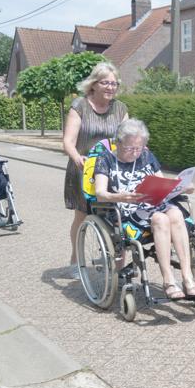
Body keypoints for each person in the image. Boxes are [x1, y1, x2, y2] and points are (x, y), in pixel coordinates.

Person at [90, 119, 195, 300]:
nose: (135, 153)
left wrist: (182, 187)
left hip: (153, 204)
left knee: (175, 213)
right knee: (160, 219)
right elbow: (100, 193)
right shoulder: (105, 159)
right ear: (118, 142)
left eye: (139, 148)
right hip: (126, 211)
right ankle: (168, 281)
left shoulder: (146, 156)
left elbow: (162, 182)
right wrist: (119, 196)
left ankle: (187, 277)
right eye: (129, 148)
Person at [62, 61, 128, 277]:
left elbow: (127, 136)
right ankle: (75, 259)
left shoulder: (120, 108)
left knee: (115, 216)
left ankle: (111, 253)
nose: (111, 87)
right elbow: (68, 142)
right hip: (84, 170)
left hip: (111, 169)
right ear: (94, 84)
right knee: (81, 217)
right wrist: (77, 158)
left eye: (114, 83)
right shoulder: (80, 105)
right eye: (105, 83)